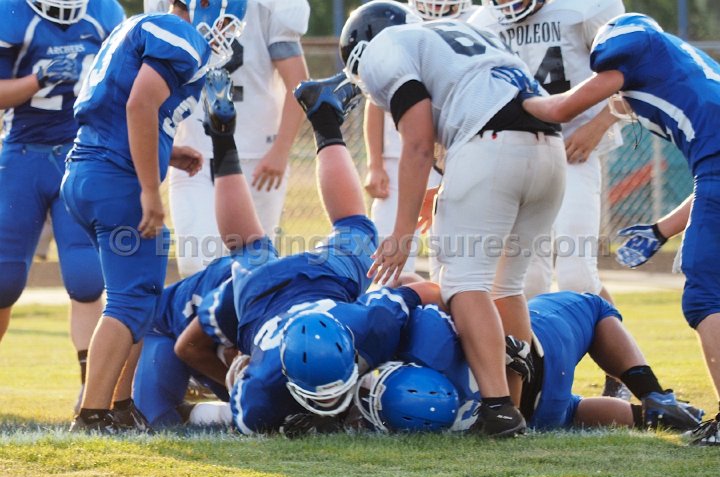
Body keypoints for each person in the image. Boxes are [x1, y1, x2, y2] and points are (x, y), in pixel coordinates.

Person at [171, 73, 450, 434]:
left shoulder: (266, 383)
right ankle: (319, 122)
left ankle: (222, 136)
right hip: (296, 285)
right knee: (338, 228)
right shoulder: (369, 326)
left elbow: (422, 290)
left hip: (269, 294)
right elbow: (426, 290)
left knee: (256, 243)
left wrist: (236, 377)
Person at [341, 0, 567, 437]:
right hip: (549, 154)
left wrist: (402, 232)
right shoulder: (467, 36)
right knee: (507, 285)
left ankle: (497, 408)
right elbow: (481, 104)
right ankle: (516, 405)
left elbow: (419, 141)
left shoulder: (384, 48)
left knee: (463, 281)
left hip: (491, 144)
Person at [520, 12, 720, 445]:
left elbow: (560, 108)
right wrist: (661, 231)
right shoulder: (682, 66)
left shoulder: (630, 51)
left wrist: (507, 98)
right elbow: (709, 184)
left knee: (706, 295)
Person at [62, 0, 248, 433]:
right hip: (116, 179)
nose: (225, 33)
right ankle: (92, 415)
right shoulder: (179, 34)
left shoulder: (138, 27)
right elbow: (139, 105)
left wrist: (167, 153)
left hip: (88, 170)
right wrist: (149, 188)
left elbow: (117, 109)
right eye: (225, 21)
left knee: (141, 297)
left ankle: (120, 405)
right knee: (129, 300)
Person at [469, 0, 630, 401]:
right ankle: (533, 377)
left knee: (577, 274)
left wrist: (600, 123)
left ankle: (624, 372)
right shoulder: (482, 22)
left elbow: (636, 71)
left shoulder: (586, 6)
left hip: (573, 148)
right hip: (515, 157)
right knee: (525, 281)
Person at [0, 0, 124, 406]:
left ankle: (91, 392)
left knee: (86, 279)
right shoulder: (11, 12)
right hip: (22, 156)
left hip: (80, 155)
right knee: (3, 280)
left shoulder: (105, 13)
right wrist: (37, 79)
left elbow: (123, 89)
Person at [364, 291, 703, 433]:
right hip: (537, 349)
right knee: (593, 306)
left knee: (570, 412)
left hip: (536, 414)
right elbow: (443, 292)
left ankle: (645, 419)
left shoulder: (424, 413)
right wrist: (400, 296)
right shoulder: (426, 340)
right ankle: (654, 397)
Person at [146, 0, 311, 278]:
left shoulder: (267, 7)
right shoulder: (173, 5)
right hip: (194, 152)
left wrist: (280, 150)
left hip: (256, 155)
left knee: (254, 268)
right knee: (196, 263)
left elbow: (298, 84)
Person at [363, 0, 476, 284]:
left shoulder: (480, 19)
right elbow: (373, 102)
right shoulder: (394, 17)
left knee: (452, 267)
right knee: (385, 264)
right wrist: (375, 163)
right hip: (399, 159)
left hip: (453, 159)